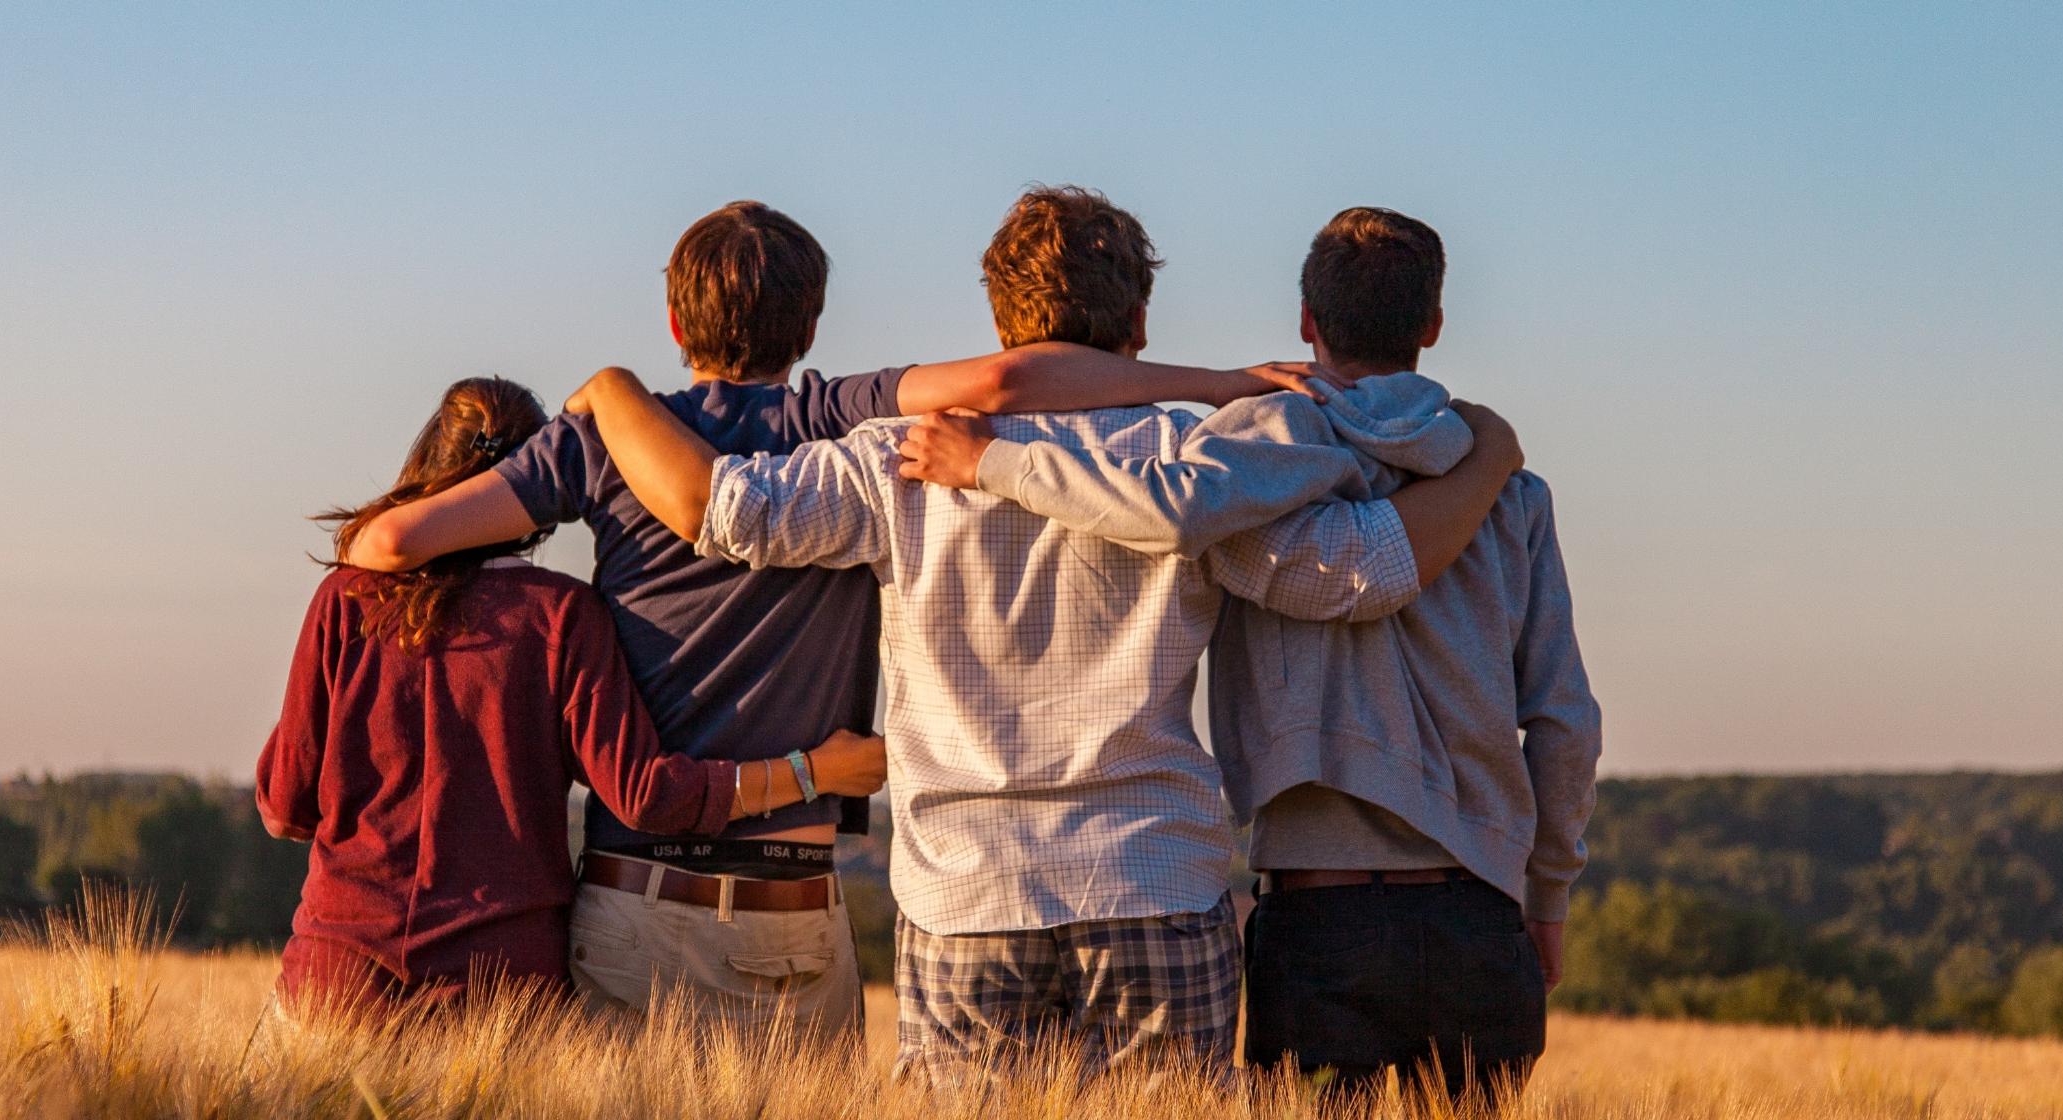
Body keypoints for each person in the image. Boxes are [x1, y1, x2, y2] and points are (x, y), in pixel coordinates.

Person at [565, 186, 1525, 1084]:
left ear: (998, 323)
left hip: (966, 895)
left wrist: (612, 392)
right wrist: (1487, 460)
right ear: (1139, 325)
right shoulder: (1194, 463)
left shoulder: (893, 460)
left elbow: (725, 511)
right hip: (1154, 879)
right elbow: (1358, 574)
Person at [333, 201, 1326, 1038]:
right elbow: (1004, 382)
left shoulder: (603, 441)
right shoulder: (833, 416)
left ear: (674, 323)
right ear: (809, 326)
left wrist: (591, 411)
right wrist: (1218, 383)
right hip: (799, 902)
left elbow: (388, 547)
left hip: (642, 892)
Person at [895, 207, 1601, 1103]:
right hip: (1482, 914)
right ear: (1432, 326)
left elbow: (1177, 514)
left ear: (1307, 320)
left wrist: (994, 461)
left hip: (1319, 920)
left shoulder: (1247, 461)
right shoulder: (1511, 491)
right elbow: (1566, 722)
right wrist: (1546, 898)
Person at [255, 375, 887, 1022]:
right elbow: (646, 795)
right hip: (501, 996)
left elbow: (285, 807)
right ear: (537, 486)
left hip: (336, 981)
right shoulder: (563, 616)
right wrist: (816, 772)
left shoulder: (347, 601)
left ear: (428, 464)